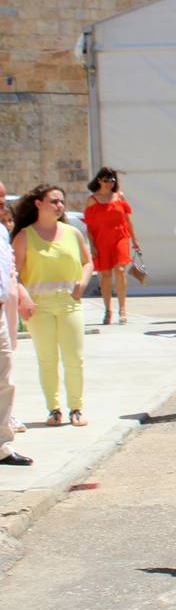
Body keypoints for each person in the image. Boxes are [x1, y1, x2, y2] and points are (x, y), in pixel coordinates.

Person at [12, 186, 93, 428]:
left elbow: (88, 262)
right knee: (47, 359)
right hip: (40, 306)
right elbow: (13, 272)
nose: (59, 206)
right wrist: (23, 296)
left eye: (61, 202)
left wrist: (84, 281)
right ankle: (54, 409)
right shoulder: (25, 236)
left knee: (74, 358)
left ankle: (76, 408)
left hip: (69, 303)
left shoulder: (72, 233)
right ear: (38, 204)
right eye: (53, 201)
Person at [0, 180, 35, 465]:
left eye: (3, 199)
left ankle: (2, 445)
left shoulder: (1, 231)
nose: (3, 204)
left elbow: (8, 272)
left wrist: (20, 293)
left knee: (4, 378)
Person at [83, 167, 139, 326]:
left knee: (120, 270)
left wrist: (134, 240)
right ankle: (108, 309)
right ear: (99, 180)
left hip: (120, 237)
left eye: (112, 180)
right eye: (106, 180)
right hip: (102, 240)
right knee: (105, 275)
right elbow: (89, 226)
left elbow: (128, 219)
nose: (109, 183)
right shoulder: (92, 200)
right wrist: (92, 245)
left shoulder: (119, 196)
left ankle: (122, 310)